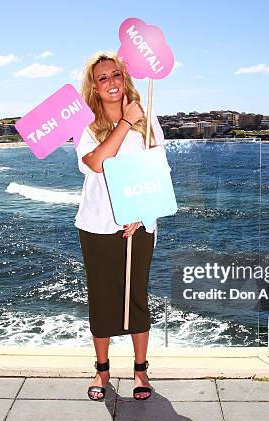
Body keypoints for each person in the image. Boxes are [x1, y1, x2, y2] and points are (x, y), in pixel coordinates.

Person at [75, 51, 165, 402]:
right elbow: (97, 163)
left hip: (140, 221)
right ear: (94, 88)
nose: (111, 82)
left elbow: (158, 170)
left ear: (124, 78)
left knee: (136, 295)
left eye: (115, 75)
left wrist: (142, 213)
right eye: (103, 78)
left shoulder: (148, 117)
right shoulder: (86, 124)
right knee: (101, 298)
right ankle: (102, 369)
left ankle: (140, 370)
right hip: (97, 223)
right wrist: (125, 123)